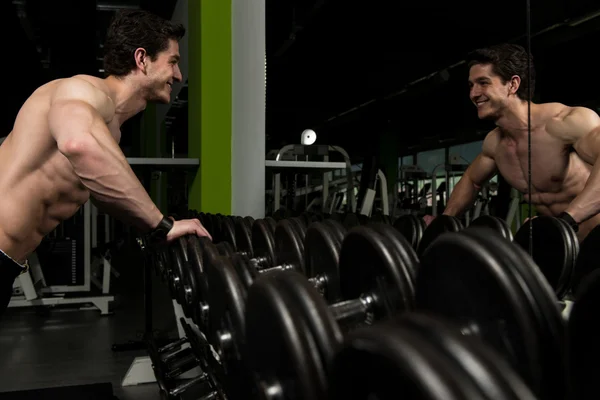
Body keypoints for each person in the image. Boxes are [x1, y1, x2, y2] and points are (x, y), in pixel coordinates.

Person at [0, 10, 211, 317]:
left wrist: (149, 229)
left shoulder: (109, 126)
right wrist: (161, 224)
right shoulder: (84, 91)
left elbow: (103, 193)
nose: (177, 76)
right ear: (142, 59)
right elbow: (79, 144)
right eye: (173, 62)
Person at [427, 43, 600, 241]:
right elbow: (471, 181)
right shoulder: (494, 144)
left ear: (513, 85)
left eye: (483, 83)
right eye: (471, 85)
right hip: (559, 248)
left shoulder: (565, 122)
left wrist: (566, 221)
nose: (473, 94)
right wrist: (443, 222)